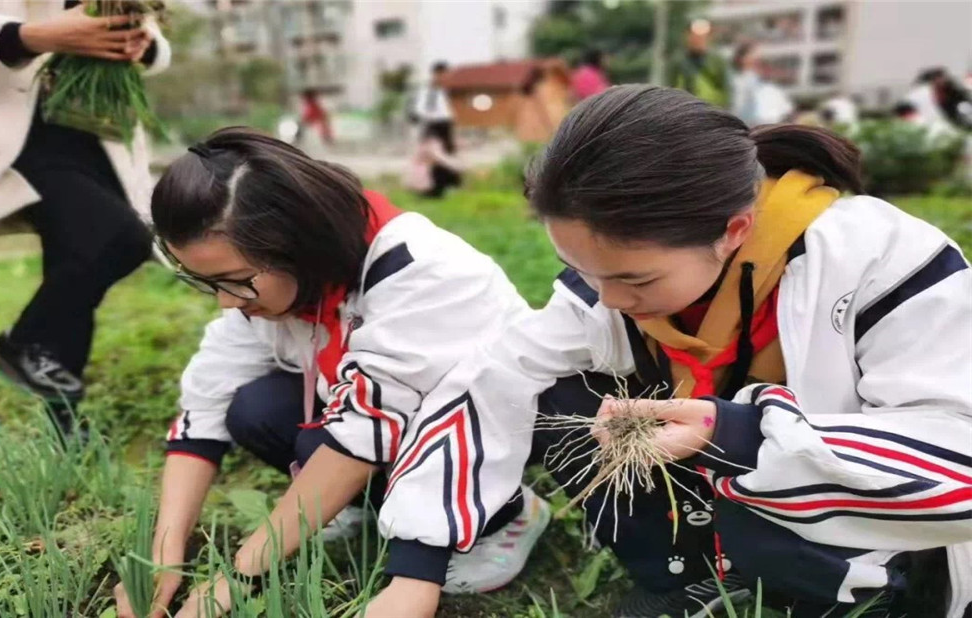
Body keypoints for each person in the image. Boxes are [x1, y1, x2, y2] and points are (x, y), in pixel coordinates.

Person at [390, 86, 972, 617]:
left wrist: (736, 436)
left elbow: (958, 453)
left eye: (636, 280)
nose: (611, 300)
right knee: (556, 391)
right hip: (744, 476)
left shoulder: (879, 261)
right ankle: (695, 575)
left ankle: (860, 590)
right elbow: (493, 377)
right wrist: (415, 568)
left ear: (735, 230)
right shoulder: (603, 292)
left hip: (884, 531)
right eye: (581, 271)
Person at [112, 128, 549, 618]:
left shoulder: (422, 274)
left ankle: (505, 513)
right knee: (254, 409)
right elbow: (205, 405)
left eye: (237, 282)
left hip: (488, 425)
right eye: (207, 283)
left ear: (297, 245)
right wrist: (163, 555)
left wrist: (241, 575)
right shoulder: (286, 286)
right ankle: (369, 504)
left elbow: (365, 434)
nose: (228, 302)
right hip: (382, 417)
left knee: (327, 447)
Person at [0, 1, 171, 436]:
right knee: (121, 237)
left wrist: (140, 43)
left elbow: (155, 43)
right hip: (12, 131)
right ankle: (24, 341)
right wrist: (31, 37)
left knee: (81, 258)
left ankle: (64, 418)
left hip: (91, 129)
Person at [729, 41, 792, 127]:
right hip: (749, 125)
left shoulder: (763, 83)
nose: (758, 57)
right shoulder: (737, 81)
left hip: (767, 125)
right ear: (742, 59)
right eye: (753, 53)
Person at [672, 19, 730, 108]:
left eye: (703, 36)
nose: (698, 39)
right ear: (688, 36)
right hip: (685, 110)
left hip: (712, 111)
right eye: (695, 36)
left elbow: (726, 88)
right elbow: (670, 86)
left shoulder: (717, 60)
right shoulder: (678, 61)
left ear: (709, 38)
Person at [403, 121, 462, 198]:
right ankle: (440, 191)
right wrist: (457, 166)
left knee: (445, 167)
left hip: (418, 178)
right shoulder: (433, 142)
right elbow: (439, 158)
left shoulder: (423, 142)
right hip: (426, 180)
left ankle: (442, 190)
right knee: (444, 168)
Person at [409, 61, 455, 153]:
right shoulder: (431, 91)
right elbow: (425, 112)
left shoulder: (441, 90)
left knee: (446, 155)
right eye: (445, 74)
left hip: (443, 126)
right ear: (437, 74)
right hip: (435, 127)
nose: (447, 77)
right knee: (438, 156)